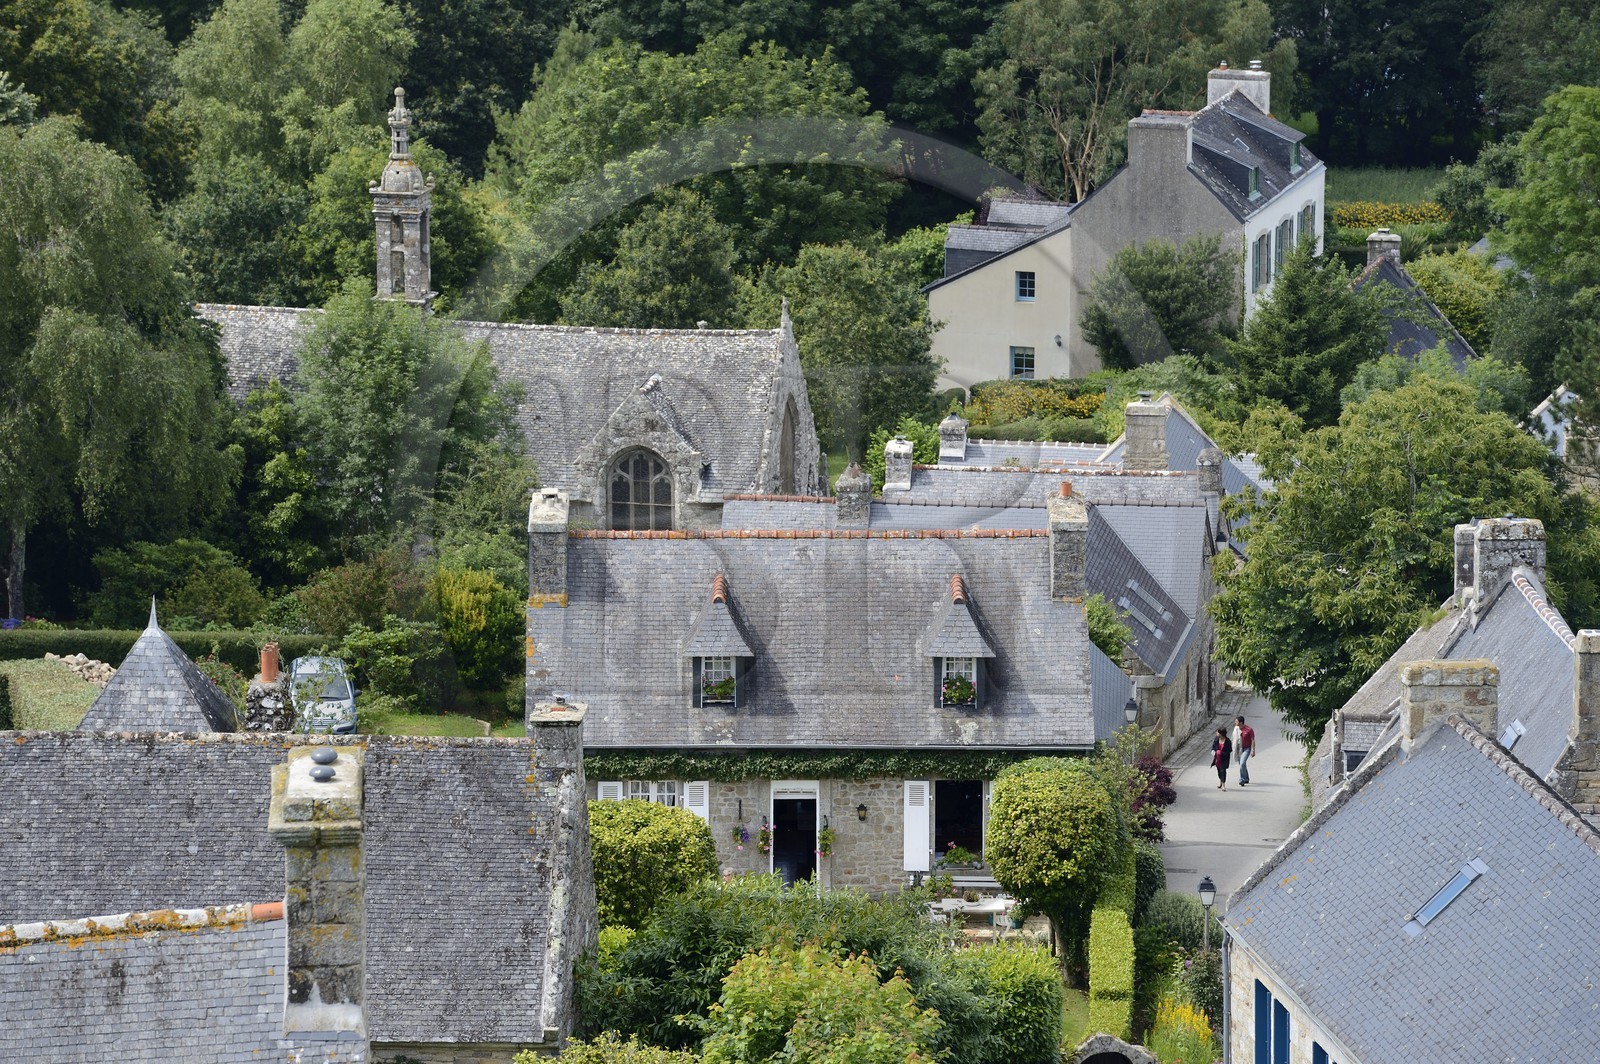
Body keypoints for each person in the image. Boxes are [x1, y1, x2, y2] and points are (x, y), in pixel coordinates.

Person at [1234, 714, 1255, 786]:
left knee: (1242, 763)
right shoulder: (1236, 729)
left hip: (1246, 748)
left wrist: (1253, 750)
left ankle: (1241, 779)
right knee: (1242, 764)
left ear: (1241, 722)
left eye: (1236, 722)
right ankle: (1246, 778)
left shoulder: (1249, 729)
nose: (1235, 723)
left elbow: (1252, 740)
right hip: (1239, 749)